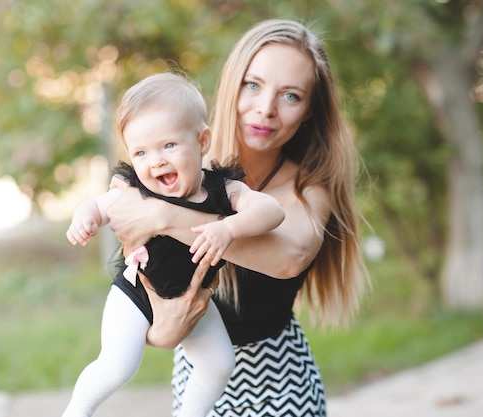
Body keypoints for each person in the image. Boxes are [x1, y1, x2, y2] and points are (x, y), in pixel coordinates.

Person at [105, 19, 369, 416]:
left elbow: (289, 257)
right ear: (233, 85)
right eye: (253, 85)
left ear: (310, 111)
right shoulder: (178, 171)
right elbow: (154, 308)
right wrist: (164, 332)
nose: (266, 108)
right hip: (198, 382)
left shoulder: (310, 186)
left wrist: (160, 216)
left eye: (291, 96)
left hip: (281, 385)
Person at [62, 72, 285, 417]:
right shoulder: (135, 190)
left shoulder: (222, 190)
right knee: (118, 366)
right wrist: (84, 217)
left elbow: (271, 211)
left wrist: (229, 229)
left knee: (219, 364)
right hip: (134, 294)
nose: (156, 161)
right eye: (141, 152)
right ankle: (76, 412)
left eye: (168, 145)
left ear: (202, 141)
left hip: (193, 296)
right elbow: (98, 205)